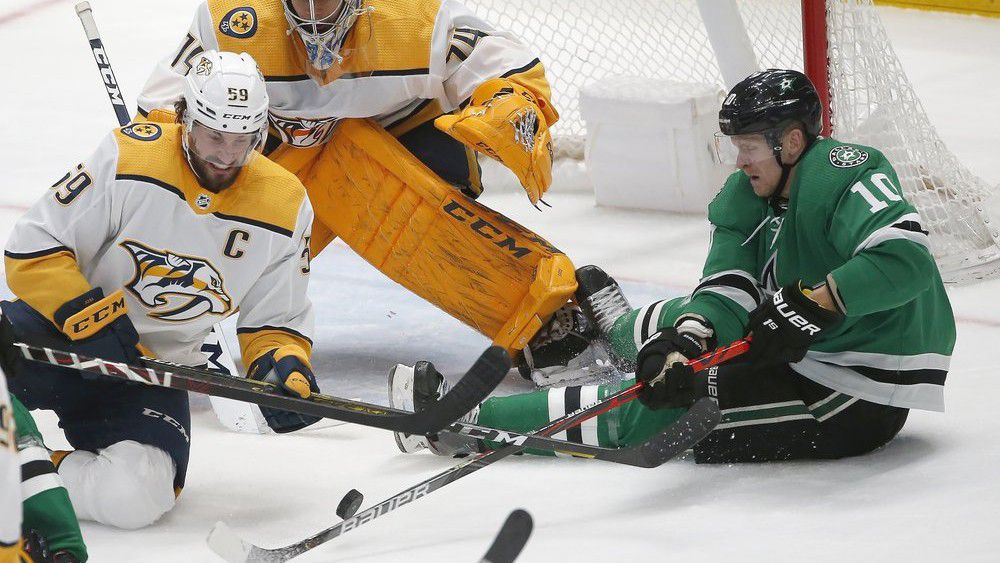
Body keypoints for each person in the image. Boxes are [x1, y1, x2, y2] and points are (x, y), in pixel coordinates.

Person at [389, 69, 956, 463]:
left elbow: (904, 259)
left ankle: (465, 424)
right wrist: (684, 343)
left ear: (790, 140)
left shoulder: (842, 172)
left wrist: (817, 305)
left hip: (856, 391)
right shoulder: (747, 194)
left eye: (750, 145)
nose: (740, 160)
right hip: (811, 353)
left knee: (660, 411)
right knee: (684, 327)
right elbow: (727, 289)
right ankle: (620, 333)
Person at [135, 0, 597, 382]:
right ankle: (146, 317)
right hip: (285, 156)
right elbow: (168, 107)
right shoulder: (234, 21)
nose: (316, 12)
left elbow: (505, 69)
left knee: (363, 164)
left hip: (403, 143)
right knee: (202, 189)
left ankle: (541, 317)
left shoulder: (413, 19)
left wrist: (507, 103)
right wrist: (165, 145)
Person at [0, 51, 318, 529]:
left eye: (242, 140)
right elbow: (33, 248)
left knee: (135, 497)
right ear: (185, 117)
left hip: (154, 371)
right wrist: (91, 320)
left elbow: (277, 319)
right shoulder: (131, 155)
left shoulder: (286, 204)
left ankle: (27, 473)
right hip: (58, 335)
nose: (226, 155)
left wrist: (284, 370)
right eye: (214, 136)